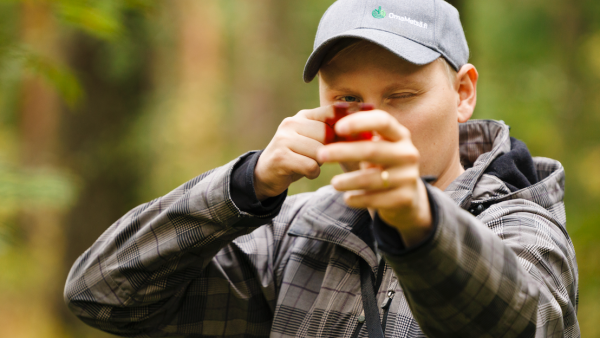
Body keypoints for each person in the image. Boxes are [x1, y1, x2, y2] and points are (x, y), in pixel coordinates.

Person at [64, 0, 579, 337]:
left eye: (401, 95)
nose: (375, 120)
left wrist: (418, 224)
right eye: (348, 98)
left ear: (463, 93)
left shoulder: (523, 225)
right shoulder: (299, 231)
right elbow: (102, 293)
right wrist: (246, 185)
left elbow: (521, 321)